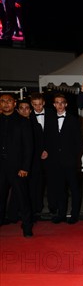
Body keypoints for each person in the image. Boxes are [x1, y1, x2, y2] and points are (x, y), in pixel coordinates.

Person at [43, 93, 83, 224]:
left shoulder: (74, 119)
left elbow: (79, 142)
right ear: (54, 105)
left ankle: (74, 214)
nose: (59, 105)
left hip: (70, 160)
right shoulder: (49, 120)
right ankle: (61, 214)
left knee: (74, 188)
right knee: (60, 188)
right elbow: (47, 139)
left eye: (62, 102)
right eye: (57, 102)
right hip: (55, 161)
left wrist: (75, 157)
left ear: (66, 104)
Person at [0, 93, 33, 236]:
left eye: (9, 101)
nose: (5, 104)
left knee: (22, 197)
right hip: (0, 166)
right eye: (2, 101)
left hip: (17, 167)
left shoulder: (23, 121)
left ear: (14, 104)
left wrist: (25, 167)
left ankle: (27, 227)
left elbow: (29, 147)